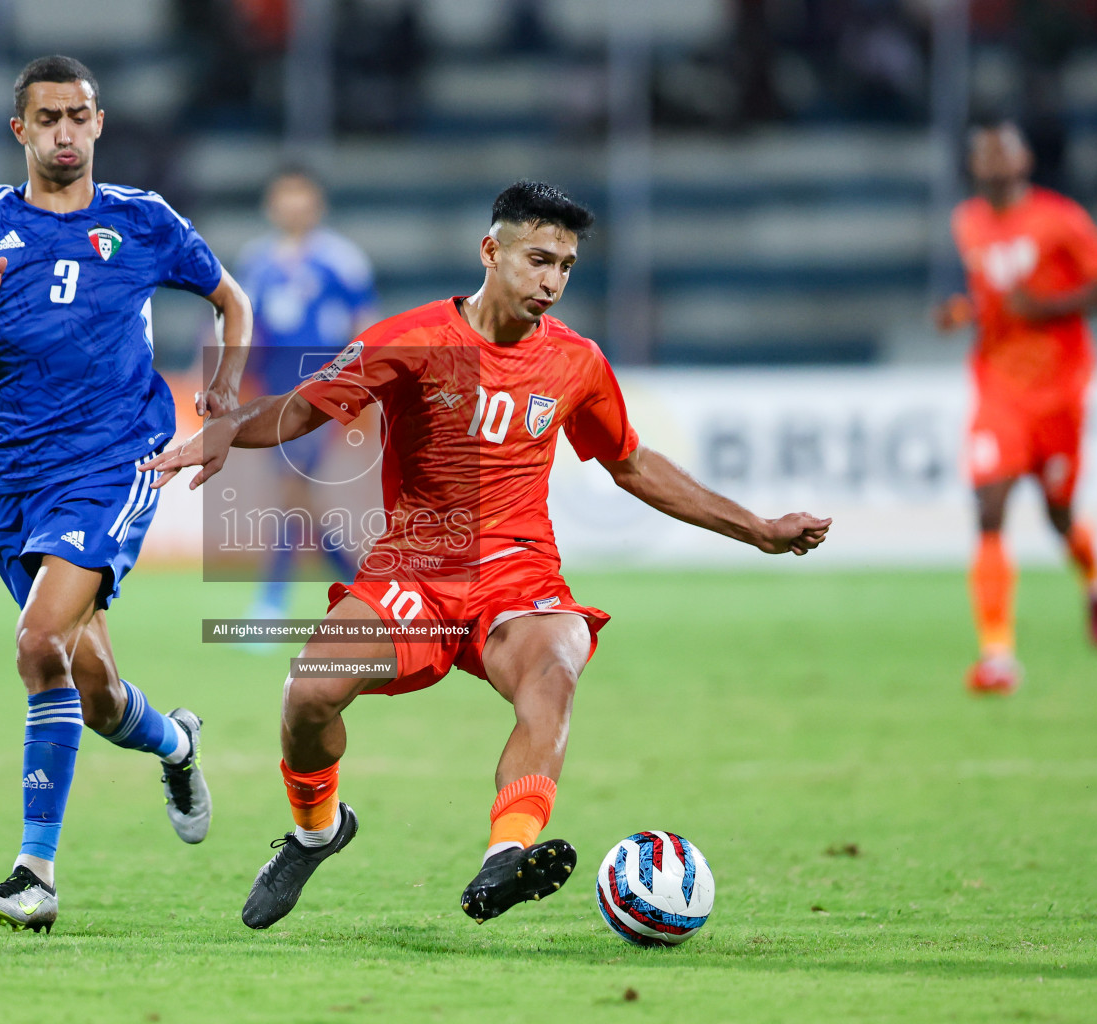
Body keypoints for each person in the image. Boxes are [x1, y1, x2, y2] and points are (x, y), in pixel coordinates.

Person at [145, 181, 830, 928]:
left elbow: (630, 463)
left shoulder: (577, 364)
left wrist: (757, 527)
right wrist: (224, 429)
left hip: (517, 575)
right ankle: (317, 832)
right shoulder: (411, 340)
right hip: (414, 574)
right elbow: (303, 406)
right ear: (491, 250)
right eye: (539, 259)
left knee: (555, 664)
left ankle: (505, 855)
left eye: (566, 266)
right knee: (308, 694)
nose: (552, 281)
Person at [0, 55, 252, 934]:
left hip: (114, 461)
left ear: (99, 125)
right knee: (89, 686)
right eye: (47, 117)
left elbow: (230, 302)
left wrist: (223, 394)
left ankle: (35, 874)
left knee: (36, 642)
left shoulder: (143, 221)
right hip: (14, 476)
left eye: (79, 116)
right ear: (20, 129)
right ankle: (176, 743)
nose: (64, 131)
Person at [936, 120, 1097, 696]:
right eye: (982, 153)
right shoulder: (968, 222)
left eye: (1001, 150)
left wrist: (1047, 308)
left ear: (1025, 158)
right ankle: (998, 658)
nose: (991, 161)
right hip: (998, 388)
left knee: (1060, 514)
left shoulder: (1060, 219)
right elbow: (992, 300)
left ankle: (1096, 582)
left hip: (1060, 390)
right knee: (989, 508)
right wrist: (963, 313)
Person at [239, 168, 377, 618]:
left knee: (292, 487)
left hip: (326, 385)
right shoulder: (256, 262)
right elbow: (241, 325)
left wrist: (367, 386)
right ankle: (365, 584)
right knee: (297, 497)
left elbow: (366, 327)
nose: (293, 205)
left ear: (316, 203)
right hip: (275, 387)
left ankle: (272, 600)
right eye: (285, 195)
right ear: (271, 204)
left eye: (301, 195)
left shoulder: (342, 259)